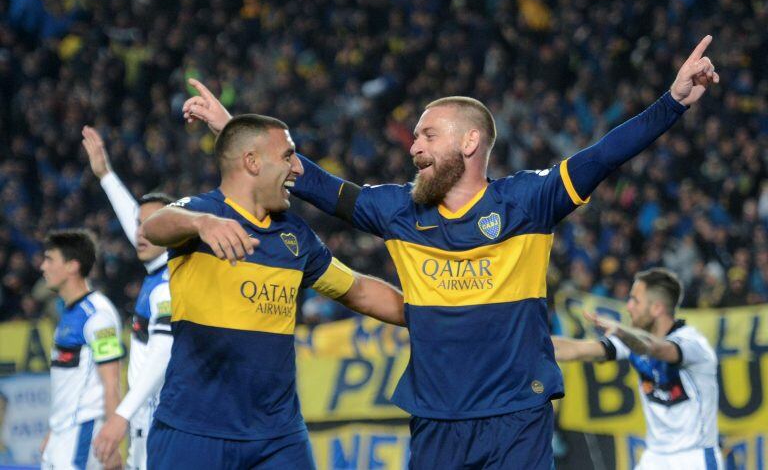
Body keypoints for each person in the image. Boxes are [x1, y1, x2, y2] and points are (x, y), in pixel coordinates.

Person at [182, 36, 718, 469]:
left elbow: (604, 155)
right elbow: (314, 182)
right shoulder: (398, 212)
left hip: (517, 415)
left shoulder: (528, 202)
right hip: (436, 419)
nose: (413, 146)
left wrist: (671, 104)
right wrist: (236, 132)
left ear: (469, 143)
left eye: (427, 135)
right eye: (414, 137)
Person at [141, 114, 405, 469]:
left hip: (277, 436)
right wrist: (200, 224)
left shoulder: (294, 236)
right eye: (287, 155)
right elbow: (155, 226)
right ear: (251, 162)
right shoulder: (203, 214)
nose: (297, 167)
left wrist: (432, 314)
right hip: (195, 430)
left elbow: (356, 290)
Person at [552, 268, 721, 469]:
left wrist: (623, 333)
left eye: (635, 300)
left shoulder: (693, 344)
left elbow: (655, 348)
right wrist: (526, 346)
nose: (629, 307)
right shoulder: (632, 339)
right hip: (655, 456)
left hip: (694, 457)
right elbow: (579, 350)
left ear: (657, 308)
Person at [81, 126, 175, 470]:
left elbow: (162, 355)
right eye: (138, 224)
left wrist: (121, 414)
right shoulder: (158, 269)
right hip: (145, 418)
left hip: (157, 417)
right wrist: (105, 175)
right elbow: (140, 223)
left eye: (152, 225)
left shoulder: (168, 286)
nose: (140, 232)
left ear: (174, 230)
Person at [39, 229, 125, 470]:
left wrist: (113, 444)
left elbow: (111, 384)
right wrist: (53, 431)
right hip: (61, 435)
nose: (42, 267)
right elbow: (66, 383)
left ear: (72, 266)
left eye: (49, 259)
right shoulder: (68, 313)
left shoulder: (98, 316)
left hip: (82, 435)